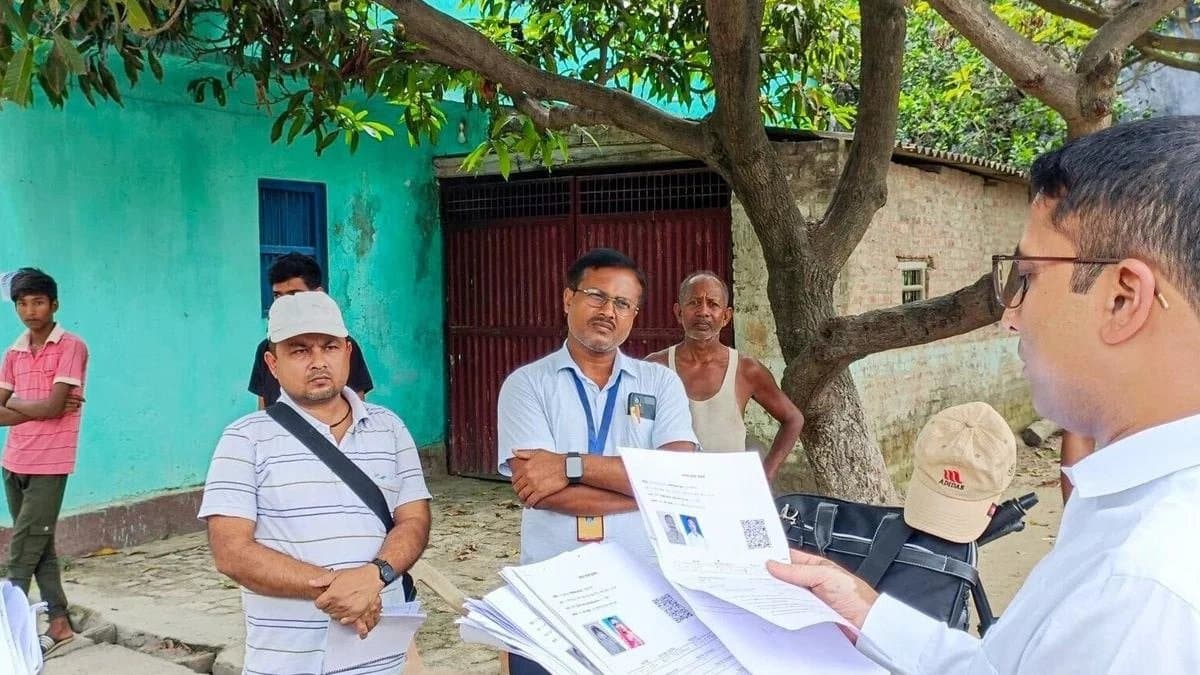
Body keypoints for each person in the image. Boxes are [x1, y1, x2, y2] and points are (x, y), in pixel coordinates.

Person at [768, 116, 1200, 673]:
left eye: (1028, 278)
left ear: (1122, 299)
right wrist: (865, 611)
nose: (1010, 316)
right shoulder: (1125, 510)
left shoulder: (1143, 589)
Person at [200, 291, 431, 675]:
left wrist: (375, 576)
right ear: (272, 364)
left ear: (348, 353)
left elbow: (414, 521)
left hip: (382, 660)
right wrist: (339, 589)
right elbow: (231, 551)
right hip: (287, 662)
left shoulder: (390, 429)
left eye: (329, 347)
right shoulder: (244, 439)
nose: (318, 361)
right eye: (300, 350)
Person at [497, 248, 697, 675]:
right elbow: (538, 490)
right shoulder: (526, 385)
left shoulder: (661, 383)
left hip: (647, 588)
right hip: (553, 593)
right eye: (597, 296)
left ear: (634, 315)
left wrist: (570, 467)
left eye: (623, 303)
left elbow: (675, 478)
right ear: (568, 298)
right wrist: (647, 490)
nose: (609, 311)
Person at [0, 269, 87, 656]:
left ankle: (8, 635)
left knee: (22, 550)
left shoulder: (71, 346)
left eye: (38, 302)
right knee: (40, 543)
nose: (30, 310)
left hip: (50, 462)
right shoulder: (13, 352)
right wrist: (39, 406)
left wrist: (16, 405)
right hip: (14, 459)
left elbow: (55, 408)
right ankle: (59, 621)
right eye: (22, 303)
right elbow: (46, 407)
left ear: (54, 304)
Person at [646, 272, 803, 481]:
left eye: (713, 304)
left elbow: (793, 418)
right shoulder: (655, 367)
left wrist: (767, 474)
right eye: (694, 303)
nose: (703, 312)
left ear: (726, 316)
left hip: (730, 489)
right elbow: (633, 425)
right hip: (673, 488)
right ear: (679, 312)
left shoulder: (746, 370)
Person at [248, 253, 374, 408]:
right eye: (277, 296)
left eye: (294, 294)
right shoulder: (266, 348)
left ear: (318, 294)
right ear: (272, 362)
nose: (284, 304)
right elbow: (263, 407)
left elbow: (357, 404)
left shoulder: (341, 346)